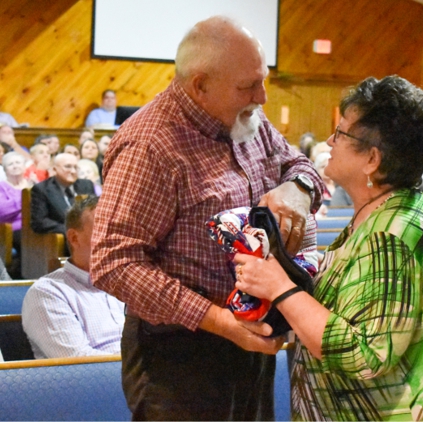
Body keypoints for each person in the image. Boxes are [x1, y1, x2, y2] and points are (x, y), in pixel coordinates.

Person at [90, 15, 324, 421]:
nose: (263, 96)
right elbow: (114, 263)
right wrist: (220, 322)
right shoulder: (150, 145)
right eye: (248, 86)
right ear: (200, 85)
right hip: (181, 354)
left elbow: (300, 164)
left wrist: (298, 189)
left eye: (263, 79)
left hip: (251, 334)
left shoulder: (248, 117)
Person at [233, 75, 423, 421]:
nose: (330, 140)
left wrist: (281, 288)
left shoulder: (392, 235)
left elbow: (363, 354)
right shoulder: (388, 212)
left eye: (342, 133)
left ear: (372, 159)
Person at [22, 196, 125, 358]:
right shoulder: (48, 292)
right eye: (106, 231)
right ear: (74, 238)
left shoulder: (129, 282)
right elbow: (77, 362)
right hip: (99, 380)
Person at [30, 153, 95, 236]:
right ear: (54, 169)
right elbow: (40, 222)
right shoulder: (42, 189)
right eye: (68, 167)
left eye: (76, 167)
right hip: (62, 237)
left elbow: (93, 212)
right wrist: (70, 231)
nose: (73, 171)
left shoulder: (86, 185)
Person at [0, 152, 32, 278]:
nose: (15, 166)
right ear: (4, 169)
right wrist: (25, 197)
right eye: (10, 164)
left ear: (24, 166)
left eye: (18, 162)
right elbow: (3, 211)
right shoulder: (2, 186)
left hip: (35, 226)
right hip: (12, 229)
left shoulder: (34, 184)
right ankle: (22, 277)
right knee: (27, 240)